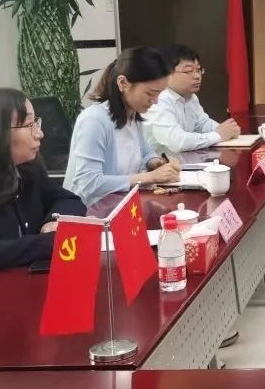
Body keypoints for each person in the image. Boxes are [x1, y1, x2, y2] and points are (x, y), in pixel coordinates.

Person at [64, 47, 181, 206]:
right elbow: (89, 183)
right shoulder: (94, 120)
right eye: (150, 93)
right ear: (123, 83)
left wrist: (156, 163)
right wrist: (150, 177)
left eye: (159, 93)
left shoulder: (133, 114)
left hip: (121, 206)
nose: (156, 101)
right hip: (90, 212)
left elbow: (144, 151)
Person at [0, 89, 87, 269]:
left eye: (36, 123)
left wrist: (53, 221)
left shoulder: (26, 170)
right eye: (29, 125)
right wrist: (49, 242)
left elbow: (70, 200)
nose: (40, 134)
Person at [145, 44, 241, 154]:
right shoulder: (159, 99)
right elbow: (177, 142)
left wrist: (227, 130)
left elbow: (202, 124)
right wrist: (218, 135)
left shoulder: (191, 97)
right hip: (158, 162)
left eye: (198, 70)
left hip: (182, 160)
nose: (197, 76)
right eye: (188, 71)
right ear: (167, 73)